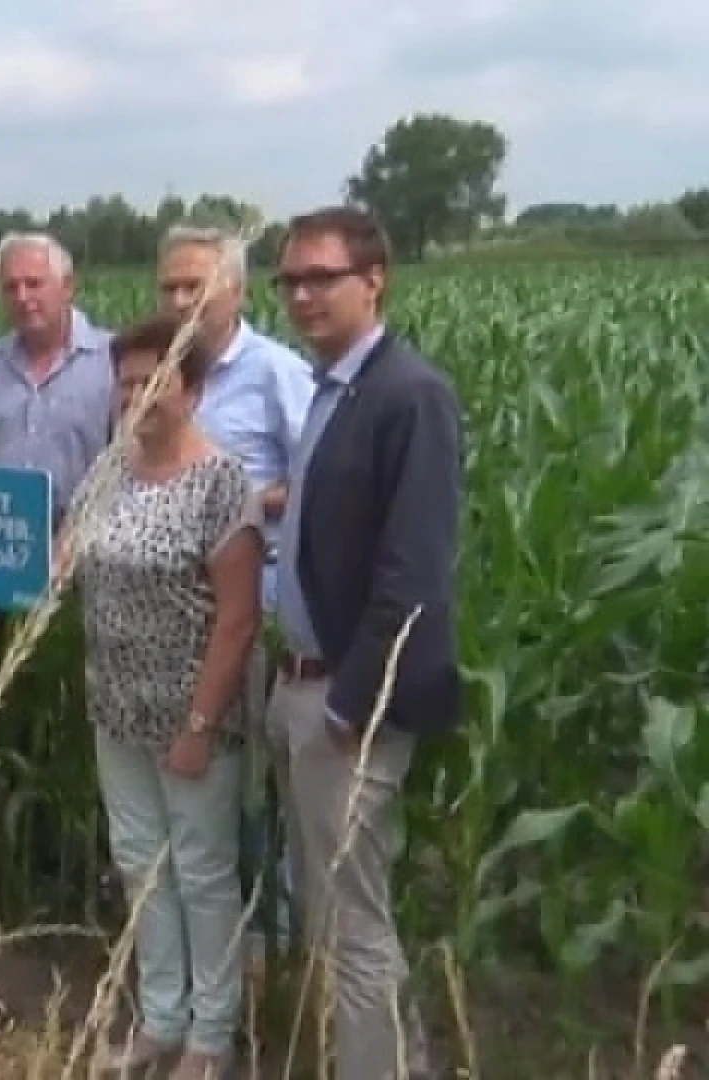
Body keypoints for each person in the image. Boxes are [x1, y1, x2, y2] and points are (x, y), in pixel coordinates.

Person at [270, 206, 462, 1080]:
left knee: (351, 929)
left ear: (374, 279)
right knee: (342, 912)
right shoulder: (333, 386)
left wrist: (353, 704)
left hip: (351, 703)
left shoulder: (407, 394)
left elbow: (414, 574)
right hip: (307, 687)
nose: (304, 295)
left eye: (323, 278)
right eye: (292, 281)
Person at [67, 312, 264, 1079]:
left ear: (191, 388)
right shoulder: (109, 467)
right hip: (114, 707)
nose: (136, 397)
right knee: (140, 862)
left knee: (203, 870)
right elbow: (68, 551)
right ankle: (161, 1016)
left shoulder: (221, 482)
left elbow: (239, 616)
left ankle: (211, 1035)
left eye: (153, 380)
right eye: (124, 383)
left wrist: (200, 723)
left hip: (192, 716)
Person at [155, 223, 318, 977]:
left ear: (237, 291)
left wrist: (235, 503)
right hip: (173, 619)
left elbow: (315, 480)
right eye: (171, 288)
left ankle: (275, 944)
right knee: (203, 783)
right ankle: (216, 938)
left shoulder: (277, 372)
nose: (182, 300)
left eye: (197, 286)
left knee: (256, 782)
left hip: (251, 607)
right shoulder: (159, 375)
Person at [0, 231, 114, 657]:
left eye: (34, 283)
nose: (23, 297)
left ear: (68, 286)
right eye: (11, 287)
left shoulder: (114, 360)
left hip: (87, 566)